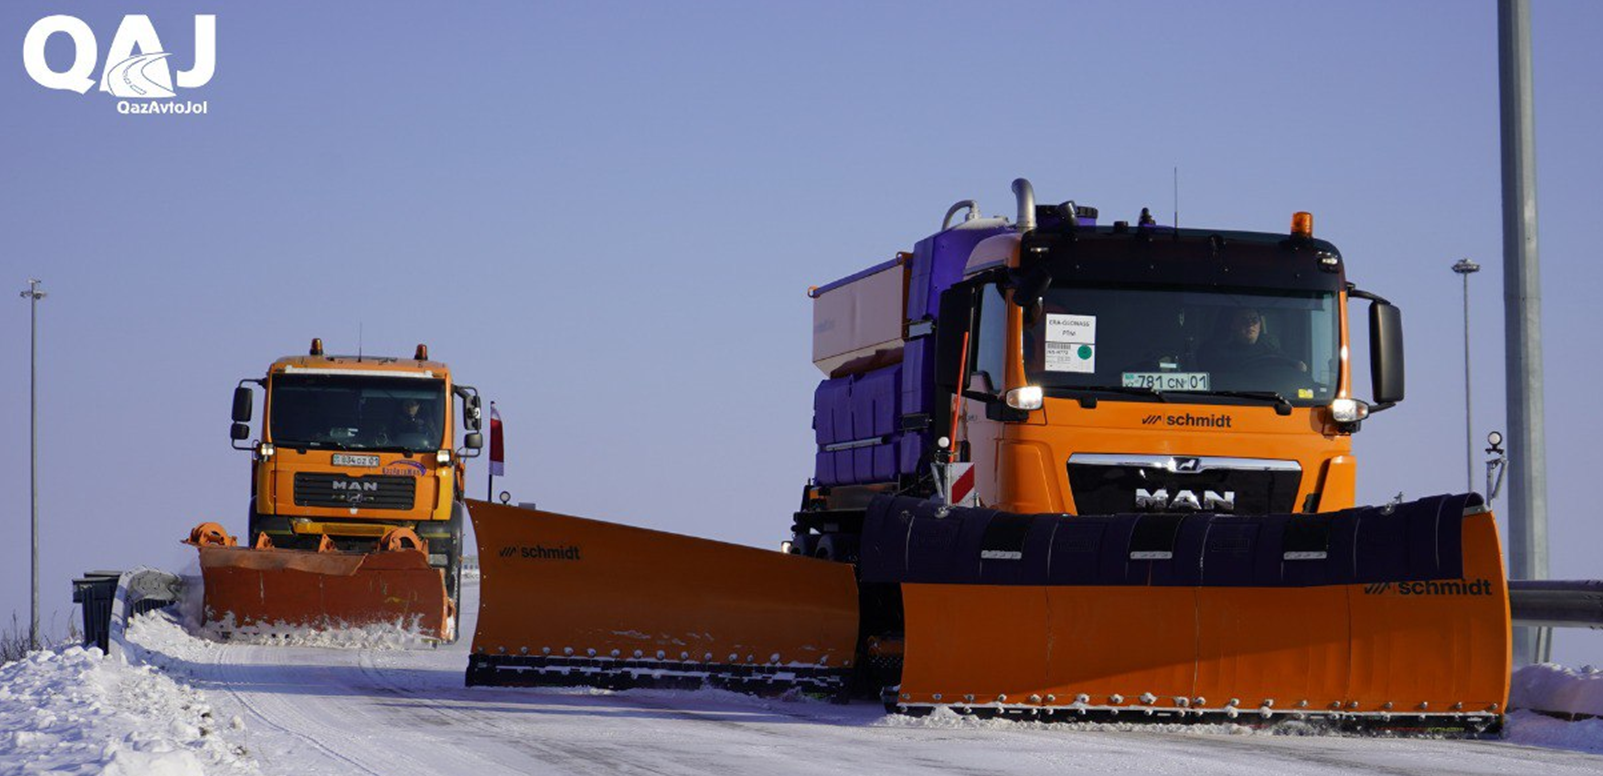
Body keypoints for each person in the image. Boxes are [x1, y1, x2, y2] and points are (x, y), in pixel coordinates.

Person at [1196, 307, 1306, 374]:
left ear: (1260, 325)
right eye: (1244, 320)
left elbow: (1300, 367)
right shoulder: (1216, 352)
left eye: (1254, 320)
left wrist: (1298, 365)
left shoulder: (1270, 348)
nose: (1250, 324)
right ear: (1233, 325)